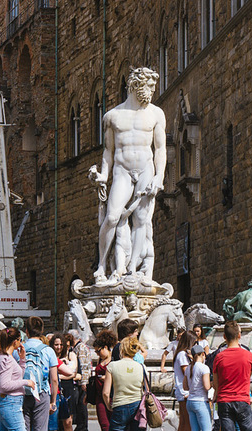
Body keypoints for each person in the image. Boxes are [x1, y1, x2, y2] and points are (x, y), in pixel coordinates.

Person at [90, 67, 165, 283]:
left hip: (145, 168)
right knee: (112, 217)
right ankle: (102, 264)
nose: (152, 91)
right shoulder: (112, 116)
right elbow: (108, 151)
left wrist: (159, 176)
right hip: (122, 171)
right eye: (149, 86)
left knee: (142, 219)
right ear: (136, 85)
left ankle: (132, 267)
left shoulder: (156, 114)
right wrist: (103, 175)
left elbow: (160, 149)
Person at [86, 336, 146, 431]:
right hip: (136, 408)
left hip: (119, 406)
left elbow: (106, 393)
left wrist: (109, 406)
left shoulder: (113, 366)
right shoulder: (140, 366)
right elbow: (145, 390)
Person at [17, 316, 59, 431]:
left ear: (26, 331)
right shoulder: (48, 350)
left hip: (22, 392)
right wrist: (53, 400)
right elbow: (54, 379)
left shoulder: (19, 348)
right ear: (41, 331)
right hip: (41, 393)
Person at [91, 329, 117, 431]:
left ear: (106, 348)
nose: (97, 353)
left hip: (111, 395)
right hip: (99, 396)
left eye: (98, 351)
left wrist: (106, 378)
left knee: (111, 426)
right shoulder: (101, 360)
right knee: (104, 425)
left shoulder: (113, 360)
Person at [52, 332, 78, 431]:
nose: (58, 347)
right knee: (54, 423)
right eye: (56, 344)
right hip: (55, 390)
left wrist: (57, 375)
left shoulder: (70, 355)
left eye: (61, 344)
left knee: (68, 422)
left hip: (67, 389)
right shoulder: (50, 356)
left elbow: (73, 373)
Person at [186, 344, 213, 431]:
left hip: (190, 401)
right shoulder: (204, 368)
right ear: (202, 354)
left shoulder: (188, 368)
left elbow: (185, 387)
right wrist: (214, 384)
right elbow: (207, 387)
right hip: (201, 401)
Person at [173, 330, 197, 431]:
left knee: (183, 423)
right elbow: (187, 372)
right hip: (185, 391)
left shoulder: (180, 354)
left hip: (182, 391)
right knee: (188, 424)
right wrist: (195, 361)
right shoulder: (183, 355)